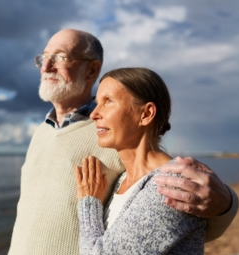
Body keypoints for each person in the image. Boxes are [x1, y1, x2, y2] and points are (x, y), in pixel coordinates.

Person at [8, 29, 239, 254]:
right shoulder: (41, 132)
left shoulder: (113, 134)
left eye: (59, 57)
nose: (47, 67)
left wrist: (226, 203)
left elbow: (183, 213)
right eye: (44, 58)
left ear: (91, 70)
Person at [76, 67, 200, 253]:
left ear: (146, 114)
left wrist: (89, 203)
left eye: (108, 101)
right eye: (97, 103)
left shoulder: (170, 187)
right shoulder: (122, 180)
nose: (93, 114)